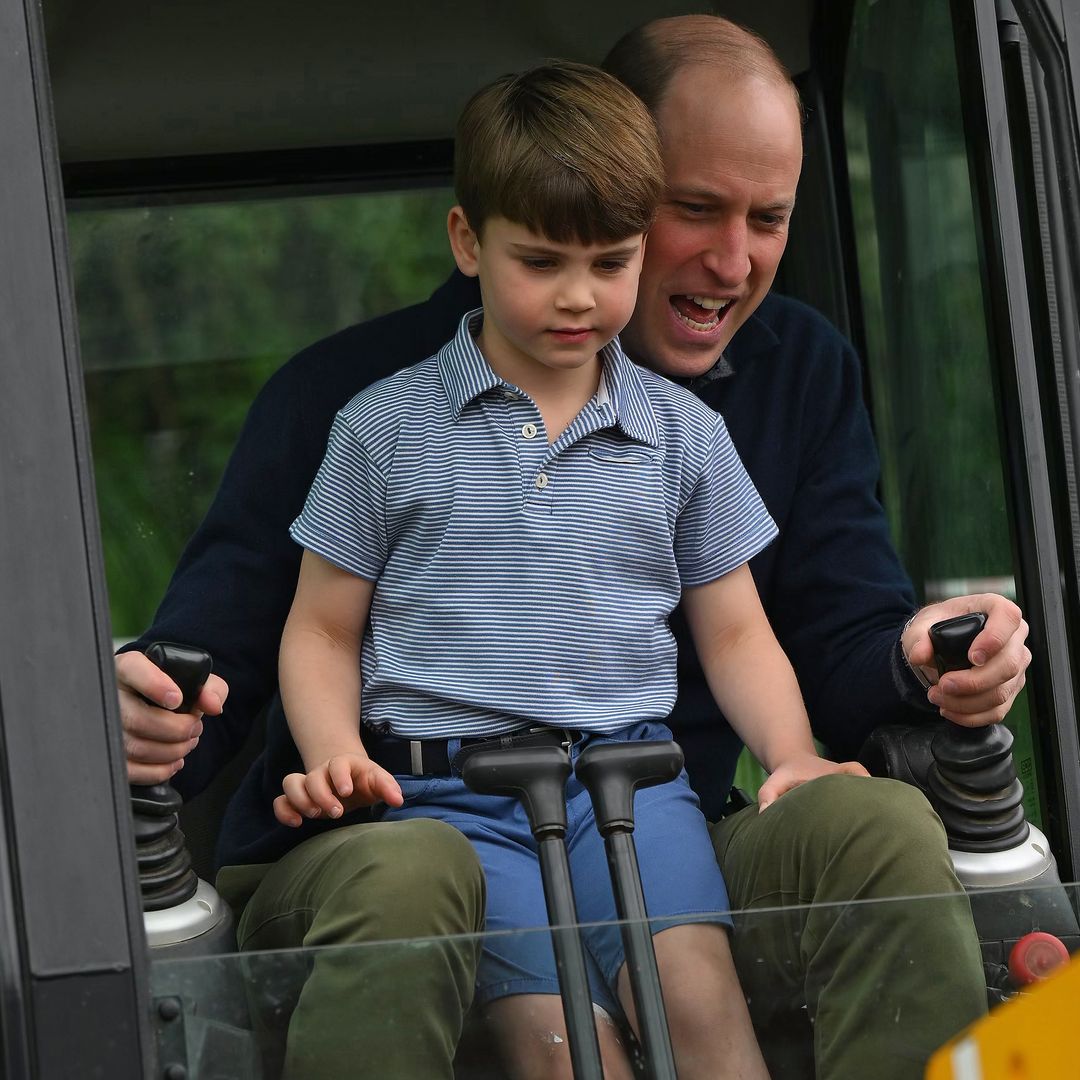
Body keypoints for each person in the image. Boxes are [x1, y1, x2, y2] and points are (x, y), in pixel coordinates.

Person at [116, 13, 1031, 1080]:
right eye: (697, 209)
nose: (733, 261)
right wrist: (158, 717)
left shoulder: (780, 382)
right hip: (420, 822)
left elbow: (808, 633)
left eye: (770, 218)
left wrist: (914, 660)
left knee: (875, 833)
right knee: (445, 915)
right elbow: (239, 647)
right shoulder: (361, 411)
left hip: (654, 811)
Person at [273, 58, 871, 1079]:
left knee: (703, 1021)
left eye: (611, 262)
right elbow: (323, 629)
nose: (579, 298)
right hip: (455, 800)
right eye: (542, 261)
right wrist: (336, 753)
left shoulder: (683, 434)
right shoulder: (381, 429)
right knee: (558, 1051)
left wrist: (792, 757)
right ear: (469, 242)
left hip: (635, 786)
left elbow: (734, 631)